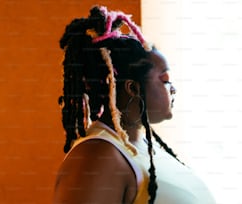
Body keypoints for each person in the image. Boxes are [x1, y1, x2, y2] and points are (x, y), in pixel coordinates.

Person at [54, 5, 216, 204]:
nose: (172, 89)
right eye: (164, 80)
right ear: (133, 88)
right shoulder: (97, 157)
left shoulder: (145, 145)